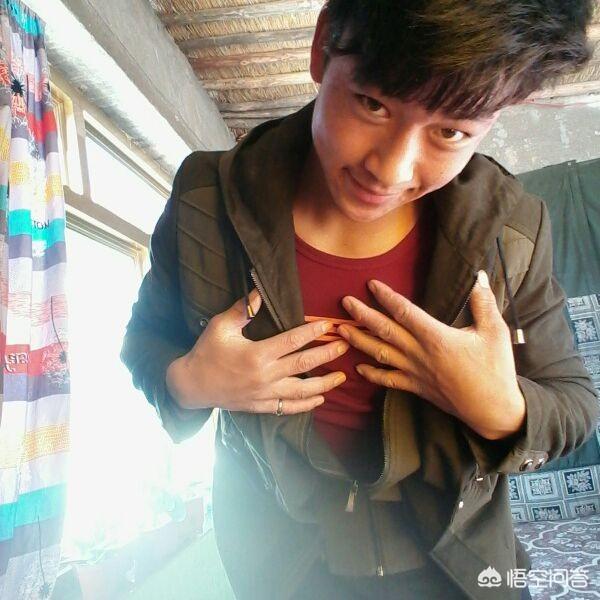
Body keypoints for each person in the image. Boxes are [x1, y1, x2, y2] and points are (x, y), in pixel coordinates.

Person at [121, 1, 599, 598]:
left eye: (450, 132)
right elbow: (143, 342)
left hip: (465, 571)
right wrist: (191, 383)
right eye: (372, 104)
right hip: (284, 570)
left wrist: (499, 406)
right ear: (323, 44)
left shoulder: (513, 230)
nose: (390, 171)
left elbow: (575, 404)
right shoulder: (203, 201)